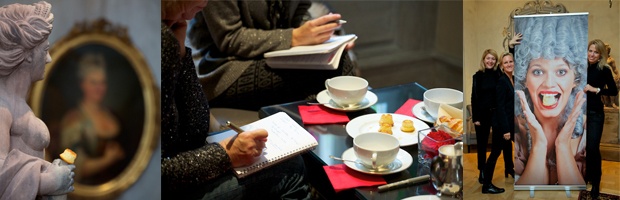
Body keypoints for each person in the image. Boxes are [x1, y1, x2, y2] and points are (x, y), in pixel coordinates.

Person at [161, 1, 311, 199]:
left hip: (184, 163)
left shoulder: (167, 30)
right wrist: (225, 156)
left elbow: (196, 126)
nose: (207, 3)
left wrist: (180, 56)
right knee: (291, 168)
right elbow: (159, 174)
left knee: (337, 64)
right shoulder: (152, 39)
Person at [188, 0, 357, 110]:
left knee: (338, 60)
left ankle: (350, 146)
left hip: (277, 51)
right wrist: (295, 36)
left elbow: (300, 8)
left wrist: (320, 37)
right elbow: (229, 39)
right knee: (324, 76)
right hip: (223, 66)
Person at [0, 1, 76, 199]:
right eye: (45, 50)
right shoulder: (2, 107)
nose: (49, 58)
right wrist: (48, 181)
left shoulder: (17, 105)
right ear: (28, 56)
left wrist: (49, 172)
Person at [513, 16, 587, 186]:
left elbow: (577, 194)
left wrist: (562, 145)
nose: (549, 84)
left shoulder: (586, 133)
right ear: (525, 78)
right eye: (538, 72)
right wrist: (538, 145)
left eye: (561, 72)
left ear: (575, 78)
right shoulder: (516, 130)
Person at [59, 53, 124, 184]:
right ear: (82, 85)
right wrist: (108, 160)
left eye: (102, 82)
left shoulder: (113, 115)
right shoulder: (73, 120)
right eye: (93, 82)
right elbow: (72, 166)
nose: (99, 88)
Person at [584, 39, 618, 198]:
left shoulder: (604, 69)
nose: (592, 54)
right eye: (590, 50)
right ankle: (588, 176)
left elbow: (613, 91)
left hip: (595, 113)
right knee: (583, 149)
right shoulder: (581, 66)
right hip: (579, 113)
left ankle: (596, 182)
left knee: (592, 148)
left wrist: (596, 89)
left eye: (595, 52)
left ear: (600, 54)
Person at [480, 52, 517, 194]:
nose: (509, 64)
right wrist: (506, 130)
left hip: (510, 122)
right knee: (495, 153)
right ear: (501, 66)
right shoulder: (502, 81)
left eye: (511, 61)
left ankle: (510, 169)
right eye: (505, 62)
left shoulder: (512, 78)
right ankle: (486, 185)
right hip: (501, 125)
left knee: (513, 148)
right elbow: (500, 107)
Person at [471, 49, 500, 187]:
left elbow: (510, 62)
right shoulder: (477, 76)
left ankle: (507, 168)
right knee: (481, 145)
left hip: (496, 114)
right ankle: (482, 171)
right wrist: (475, 117)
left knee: (498, 144)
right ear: (484, 60)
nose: (490, 61)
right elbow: (474, 98)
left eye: (493, 59)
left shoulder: (498, 74)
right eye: (488, 58)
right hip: (481, 116)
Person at [602, 43, 619, 108]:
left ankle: (612, 103)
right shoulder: (599, 58)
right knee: (602, 86)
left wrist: (618, 74)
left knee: (613, 85)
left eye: (607, 50)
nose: (606, 51)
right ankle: (604, 103)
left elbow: (614, 69)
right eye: (605, 49)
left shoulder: (611, 59)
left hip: (609, 77)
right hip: (601, 77)